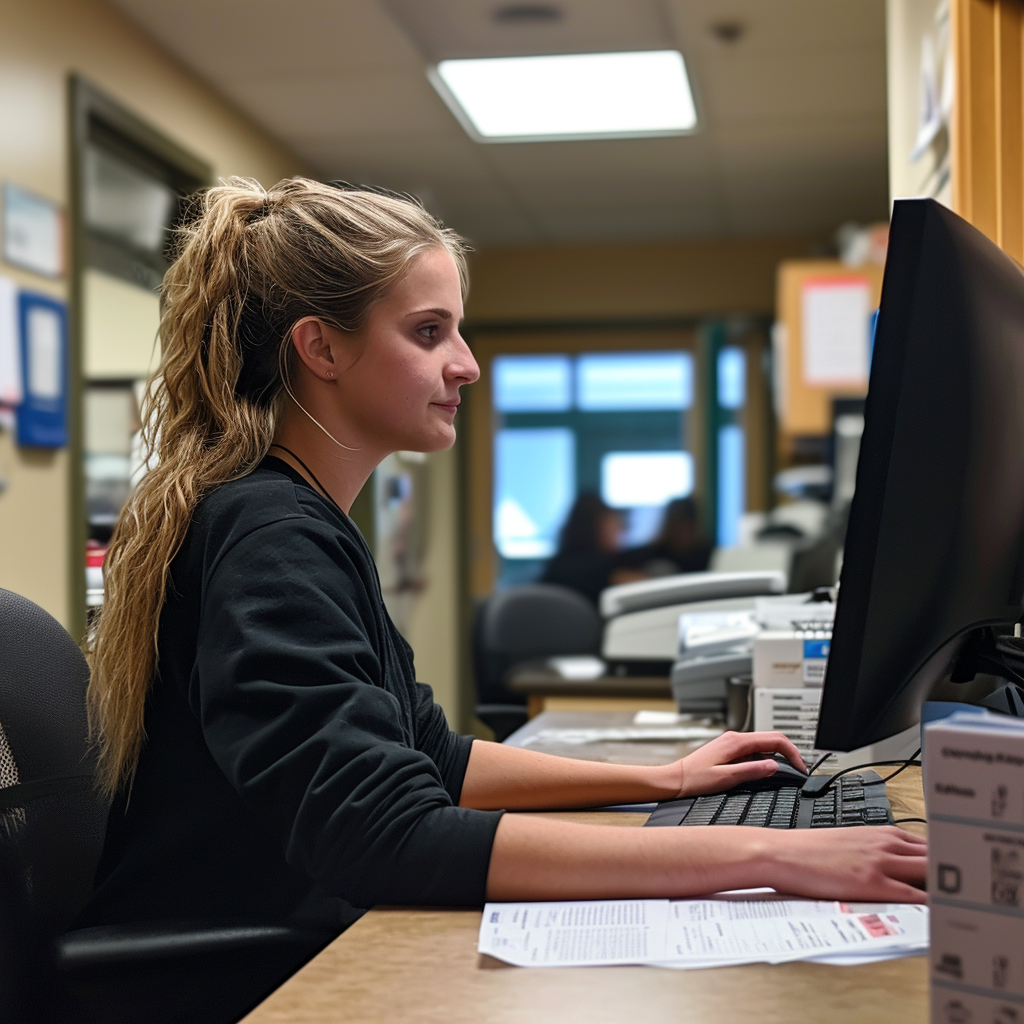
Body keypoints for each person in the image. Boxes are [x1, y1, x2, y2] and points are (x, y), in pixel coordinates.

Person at [82, 177, 926, 995]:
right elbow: (384, 836)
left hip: (293, 939)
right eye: (428, 332)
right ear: (321, 347)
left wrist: (668, 780)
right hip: (233, 985)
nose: (467, 365)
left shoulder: (297, 520)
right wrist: (770, 856)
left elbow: (430, 759)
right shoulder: (270, 537)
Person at [540, 493, 624, 606]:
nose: (619, 533)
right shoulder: (587, 569)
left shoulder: (561, 562)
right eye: (614, 527)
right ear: (594, 527)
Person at [619, 496, 713, 578]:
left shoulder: (706, 554)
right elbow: (616, 571)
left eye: (684, 522)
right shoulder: (652, 552)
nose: (681, 528)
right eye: (676, 521)